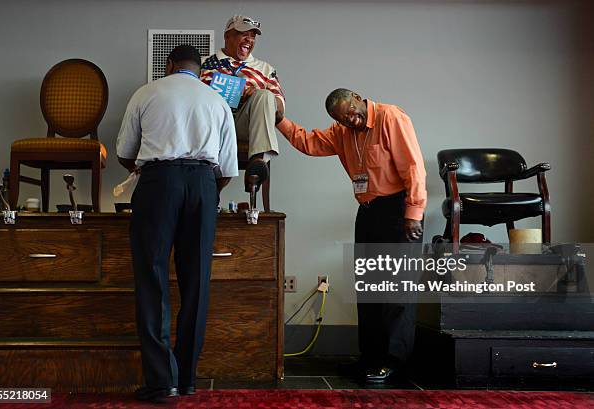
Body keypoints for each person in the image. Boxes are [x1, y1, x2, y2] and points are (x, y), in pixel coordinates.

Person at [275, 88, 427, 383]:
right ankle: (370, 358)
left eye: (352, 113)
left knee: (397, 290)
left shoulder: (390, 117)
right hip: (369, 211)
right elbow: (309, 142)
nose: (352, 121)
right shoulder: (342, 131)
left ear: (358, 97)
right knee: (369, 288)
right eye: (344, 119)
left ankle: (395, 362)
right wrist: (281, 120)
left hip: (398, 210)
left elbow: (414, 168)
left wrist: (413, 214)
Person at [116, 44, 238, 402]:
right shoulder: (217, 101)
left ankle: (161, 381)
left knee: (152, 279)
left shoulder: (146, 92)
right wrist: (202, 187)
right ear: (200, 71)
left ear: (169, 65)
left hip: (158, 183)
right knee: (196, 282)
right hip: (203, 185)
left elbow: (125, 151)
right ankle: (187, 379)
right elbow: (228, 169)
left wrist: (156, 172)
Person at [200, 15, 284, 194]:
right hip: (212, 127)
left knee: (265, 95)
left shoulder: (265, 69)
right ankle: (207, 195)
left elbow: (279, 109)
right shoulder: (204, 64)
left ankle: (257, 163)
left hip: (243, 126)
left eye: (253, 36)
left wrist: (253, 94)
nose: (249, 39)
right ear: (227, 36)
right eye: (242, 34)